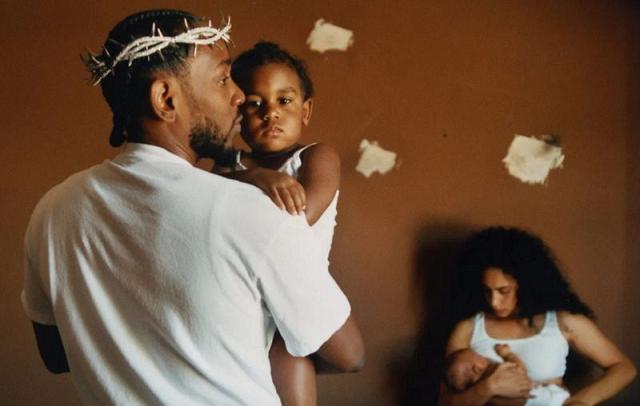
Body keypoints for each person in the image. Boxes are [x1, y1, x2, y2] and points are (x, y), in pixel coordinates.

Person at [21, 9, 364, 405]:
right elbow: (349, 354)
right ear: (165, 99)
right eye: (222, 79)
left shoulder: (53, 211)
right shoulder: (255, 212)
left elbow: (56, 355)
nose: (238, 97)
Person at [210, 41, 340, 405]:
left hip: (295, 291)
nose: (271, 113)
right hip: (242, 295)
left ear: (306, 110)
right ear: (238, 111)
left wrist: (244, 184)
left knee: (298, 363)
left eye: (284, 101)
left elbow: (297, 220)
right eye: (255, 103)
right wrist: (255, 177)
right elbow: (204, 203)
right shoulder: (230, 164)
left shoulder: (316, 157)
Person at [442, 226, 636, 405]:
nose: (494, 302)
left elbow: (624, 368)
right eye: (487, 291)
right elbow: (445, 403)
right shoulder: (469, 328)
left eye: (503, 291)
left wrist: (581, 402)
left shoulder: (563, 322)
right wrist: (488, 388)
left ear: (527, 285)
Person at [444, 345, 570, 406]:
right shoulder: (495, 372)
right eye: (468, 383)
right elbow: (520, 370)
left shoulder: (485, 397)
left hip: (545, 393)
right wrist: (507, 354)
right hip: (549, 400)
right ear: (477, 369)